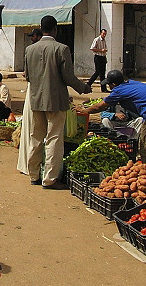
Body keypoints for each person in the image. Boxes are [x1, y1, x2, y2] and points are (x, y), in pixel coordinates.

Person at [24, 15, 91, 189]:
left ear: (41, 28)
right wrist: (83, 88)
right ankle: (50, 179)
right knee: (54, 138)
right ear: (56, 29)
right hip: (56, 101)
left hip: (36, 100)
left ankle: (33, 175)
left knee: (36, 137)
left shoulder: (30, 50)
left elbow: (28, 76)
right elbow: (68, 77)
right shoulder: (62, 49)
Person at [82, 69, 146, 170]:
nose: (109, 88)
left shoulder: (119, 91)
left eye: (109, 85)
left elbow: (100, 107)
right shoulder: (131, 83)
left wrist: (84, 111)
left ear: (113, 84)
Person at [17, 28, 43, 175]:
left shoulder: (30, 50)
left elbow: (26, 74)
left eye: (33, 36)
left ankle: (28, 165)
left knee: (32, 128)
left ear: (39, 36)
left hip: (33, 91)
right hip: (38, 91)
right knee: (35, 129)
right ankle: (32, 166)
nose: (31, 38)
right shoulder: (54, 48)